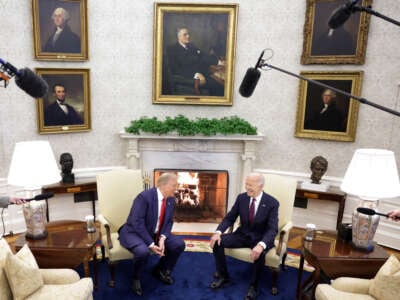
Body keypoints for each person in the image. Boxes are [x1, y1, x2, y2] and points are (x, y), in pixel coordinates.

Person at [209, 173, 279, 300]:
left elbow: (272, 228)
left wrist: (261, 245)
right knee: (217, 242)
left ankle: (254, 287)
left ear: (260, 186)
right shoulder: (242, 198)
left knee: (260, 254)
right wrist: (218, 232)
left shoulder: (272, 203)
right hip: (242, 234)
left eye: (250, 185)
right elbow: (230, 217)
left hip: (260, 237)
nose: (247, 187)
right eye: (246, 184)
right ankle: (223, 276)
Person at [119, 173, 185, 296]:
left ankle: (160, 270)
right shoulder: (144, 197)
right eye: (174, 185)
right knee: (142, 251)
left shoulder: (170, 199)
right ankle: (136, 277)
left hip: (156, 233)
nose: (176, 189)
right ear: (164, 185)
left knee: (178, 244)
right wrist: (150, 243)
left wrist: (162, 238)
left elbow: (169, 221)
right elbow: (136, 222)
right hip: (134, 232)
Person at [164, 27, 224, 96]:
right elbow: (176, 69)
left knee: (220, 82)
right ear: (179, 37)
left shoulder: (191, 46)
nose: (188, 36)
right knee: (219, 87)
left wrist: (219, 62)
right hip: (190, 79)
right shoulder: (172, 49)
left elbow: (203, 55)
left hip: (203, 74)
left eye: (188, 34)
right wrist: (195, 74)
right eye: (185, 34)